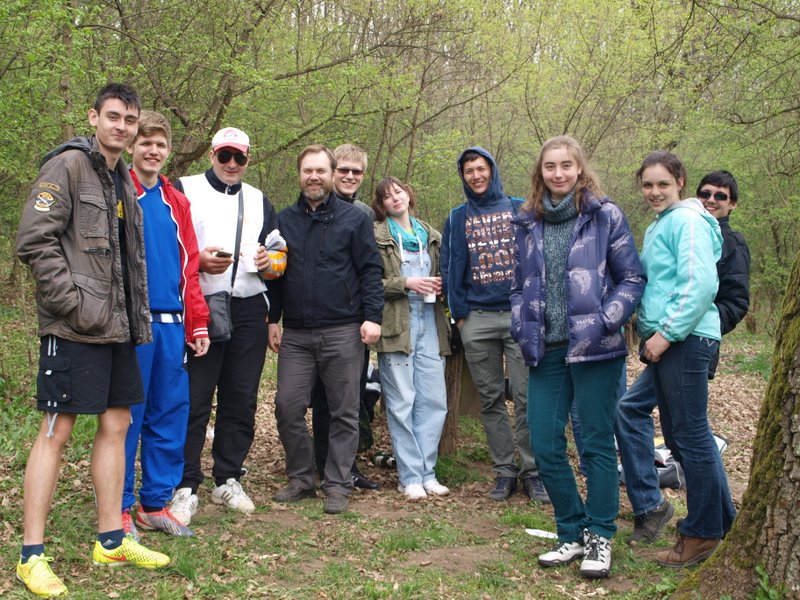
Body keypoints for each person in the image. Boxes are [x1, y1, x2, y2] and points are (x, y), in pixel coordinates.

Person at [14, 84, 170, 597]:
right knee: (56, 430)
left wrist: (128, 317)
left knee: (117, 423)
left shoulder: (123, 177)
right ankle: (31, 556)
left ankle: (110, 540)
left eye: (130, 119)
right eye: (114, 116)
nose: (122, 126)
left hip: (117, 327)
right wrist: (74, 304)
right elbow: (34, 240)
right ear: (94, 117)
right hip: (73, 325)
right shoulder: (67, 166)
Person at [510, 135, 645, 579]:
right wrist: (520, 322)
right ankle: (570, 531)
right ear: (540, 172)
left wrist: (607, 319)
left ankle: (600, 535)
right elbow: (518, 285)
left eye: (566, 165)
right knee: (545, 444)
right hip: (545, 348)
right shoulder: (527, 221)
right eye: (550, 166)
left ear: (580, 169)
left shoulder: (605, 215)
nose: (558, 173)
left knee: (596, 444)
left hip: (596, 348)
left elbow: (632, 278)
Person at [615, 169, 750, 547]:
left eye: (662, 184)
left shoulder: (697, 225)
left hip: (685, 339)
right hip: (674, 337)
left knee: (689, 434)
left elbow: (711, 289)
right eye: (647, 185)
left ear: (679, 183)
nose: (654, 192)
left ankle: (702, 530)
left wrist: (679, 333)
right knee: (679, 431)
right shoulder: (667, 223)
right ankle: (720, 521)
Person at [169, 127, 284, 524]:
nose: (232, 164)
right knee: (195, 396)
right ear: (212, 155)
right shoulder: (184, 188)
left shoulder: (258, 199)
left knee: (241, 396)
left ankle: (228, 476)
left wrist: (271, 263)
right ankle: (185, 483)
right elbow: (165, 245)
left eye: (240, 158)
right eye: (225, 156)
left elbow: (279, 253)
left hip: (249, 305)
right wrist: (197, 261)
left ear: (248, 159)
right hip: (200, 304)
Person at [269, 145, 383, 515]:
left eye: (320, 170)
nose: (314, 177)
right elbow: (276, 274)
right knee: (287, 406)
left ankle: (337, 484)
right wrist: (273, 319)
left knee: (343, 411)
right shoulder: (284, 220)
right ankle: (302, 479)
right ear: (299, 175)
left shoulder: (354, 219)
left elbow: (370, 270)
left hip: (343, 330)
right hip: (297, 334)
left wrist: (373, 317)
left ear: (331, 174)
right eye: (308, 171)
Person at [441, 146, 548, 503]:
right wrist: (459, 314)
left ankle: (533, 472)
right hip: (477, 318)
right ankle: (504, 472)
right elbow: (449, 265)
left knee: (526, 397)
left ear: (492, 170)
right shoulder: (457, 217)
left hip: (520, 316)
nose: (476, 175)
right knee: (490, 399)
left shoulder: (520, 208)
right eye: (469, 171)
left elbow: (538, 257)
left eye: (481, 168)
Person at [121, 110, 210, 539]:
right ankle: (118, 507)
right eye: (145, 143)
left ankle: (154, 503)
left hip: (173, 325)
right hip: (131, 324)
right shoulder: (118, 191)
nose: (152, 151)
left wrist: (198, 323)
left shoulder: (177, 201)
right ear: (131, 147)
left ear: (169, 151)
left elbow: (189, 267)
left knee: (170, 413)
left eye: (160, 144)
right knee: (126, 418)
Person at [371, 177, 451, 500]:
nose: (395, 198)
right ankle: (409, 476)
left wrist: (442, 285)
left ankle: (427, 473)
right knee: (402, 401)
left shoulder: (432, 235)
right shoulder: (376, 236)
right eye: (387, 196)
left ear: (408, 194)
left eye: (399, 192)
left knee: (434, 400)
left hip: (431, 321)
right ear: (381, 205)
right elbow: (369, 282)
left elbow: (448, 273)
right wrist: (406, 283)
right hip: (396, 324)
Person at [310, 143, 379, 490]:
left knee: (350, 399)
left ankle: (346, 466)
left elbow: (370, 269)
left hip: (355, 322)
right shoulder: (312, 209)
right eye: (344, 170)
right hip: (317, 321)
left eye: (357, 171)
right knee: (322, 398)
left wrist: (371, 315)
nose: (350, 176)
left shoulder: (365, 214)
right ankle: (322, 463)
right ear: (332, 171)